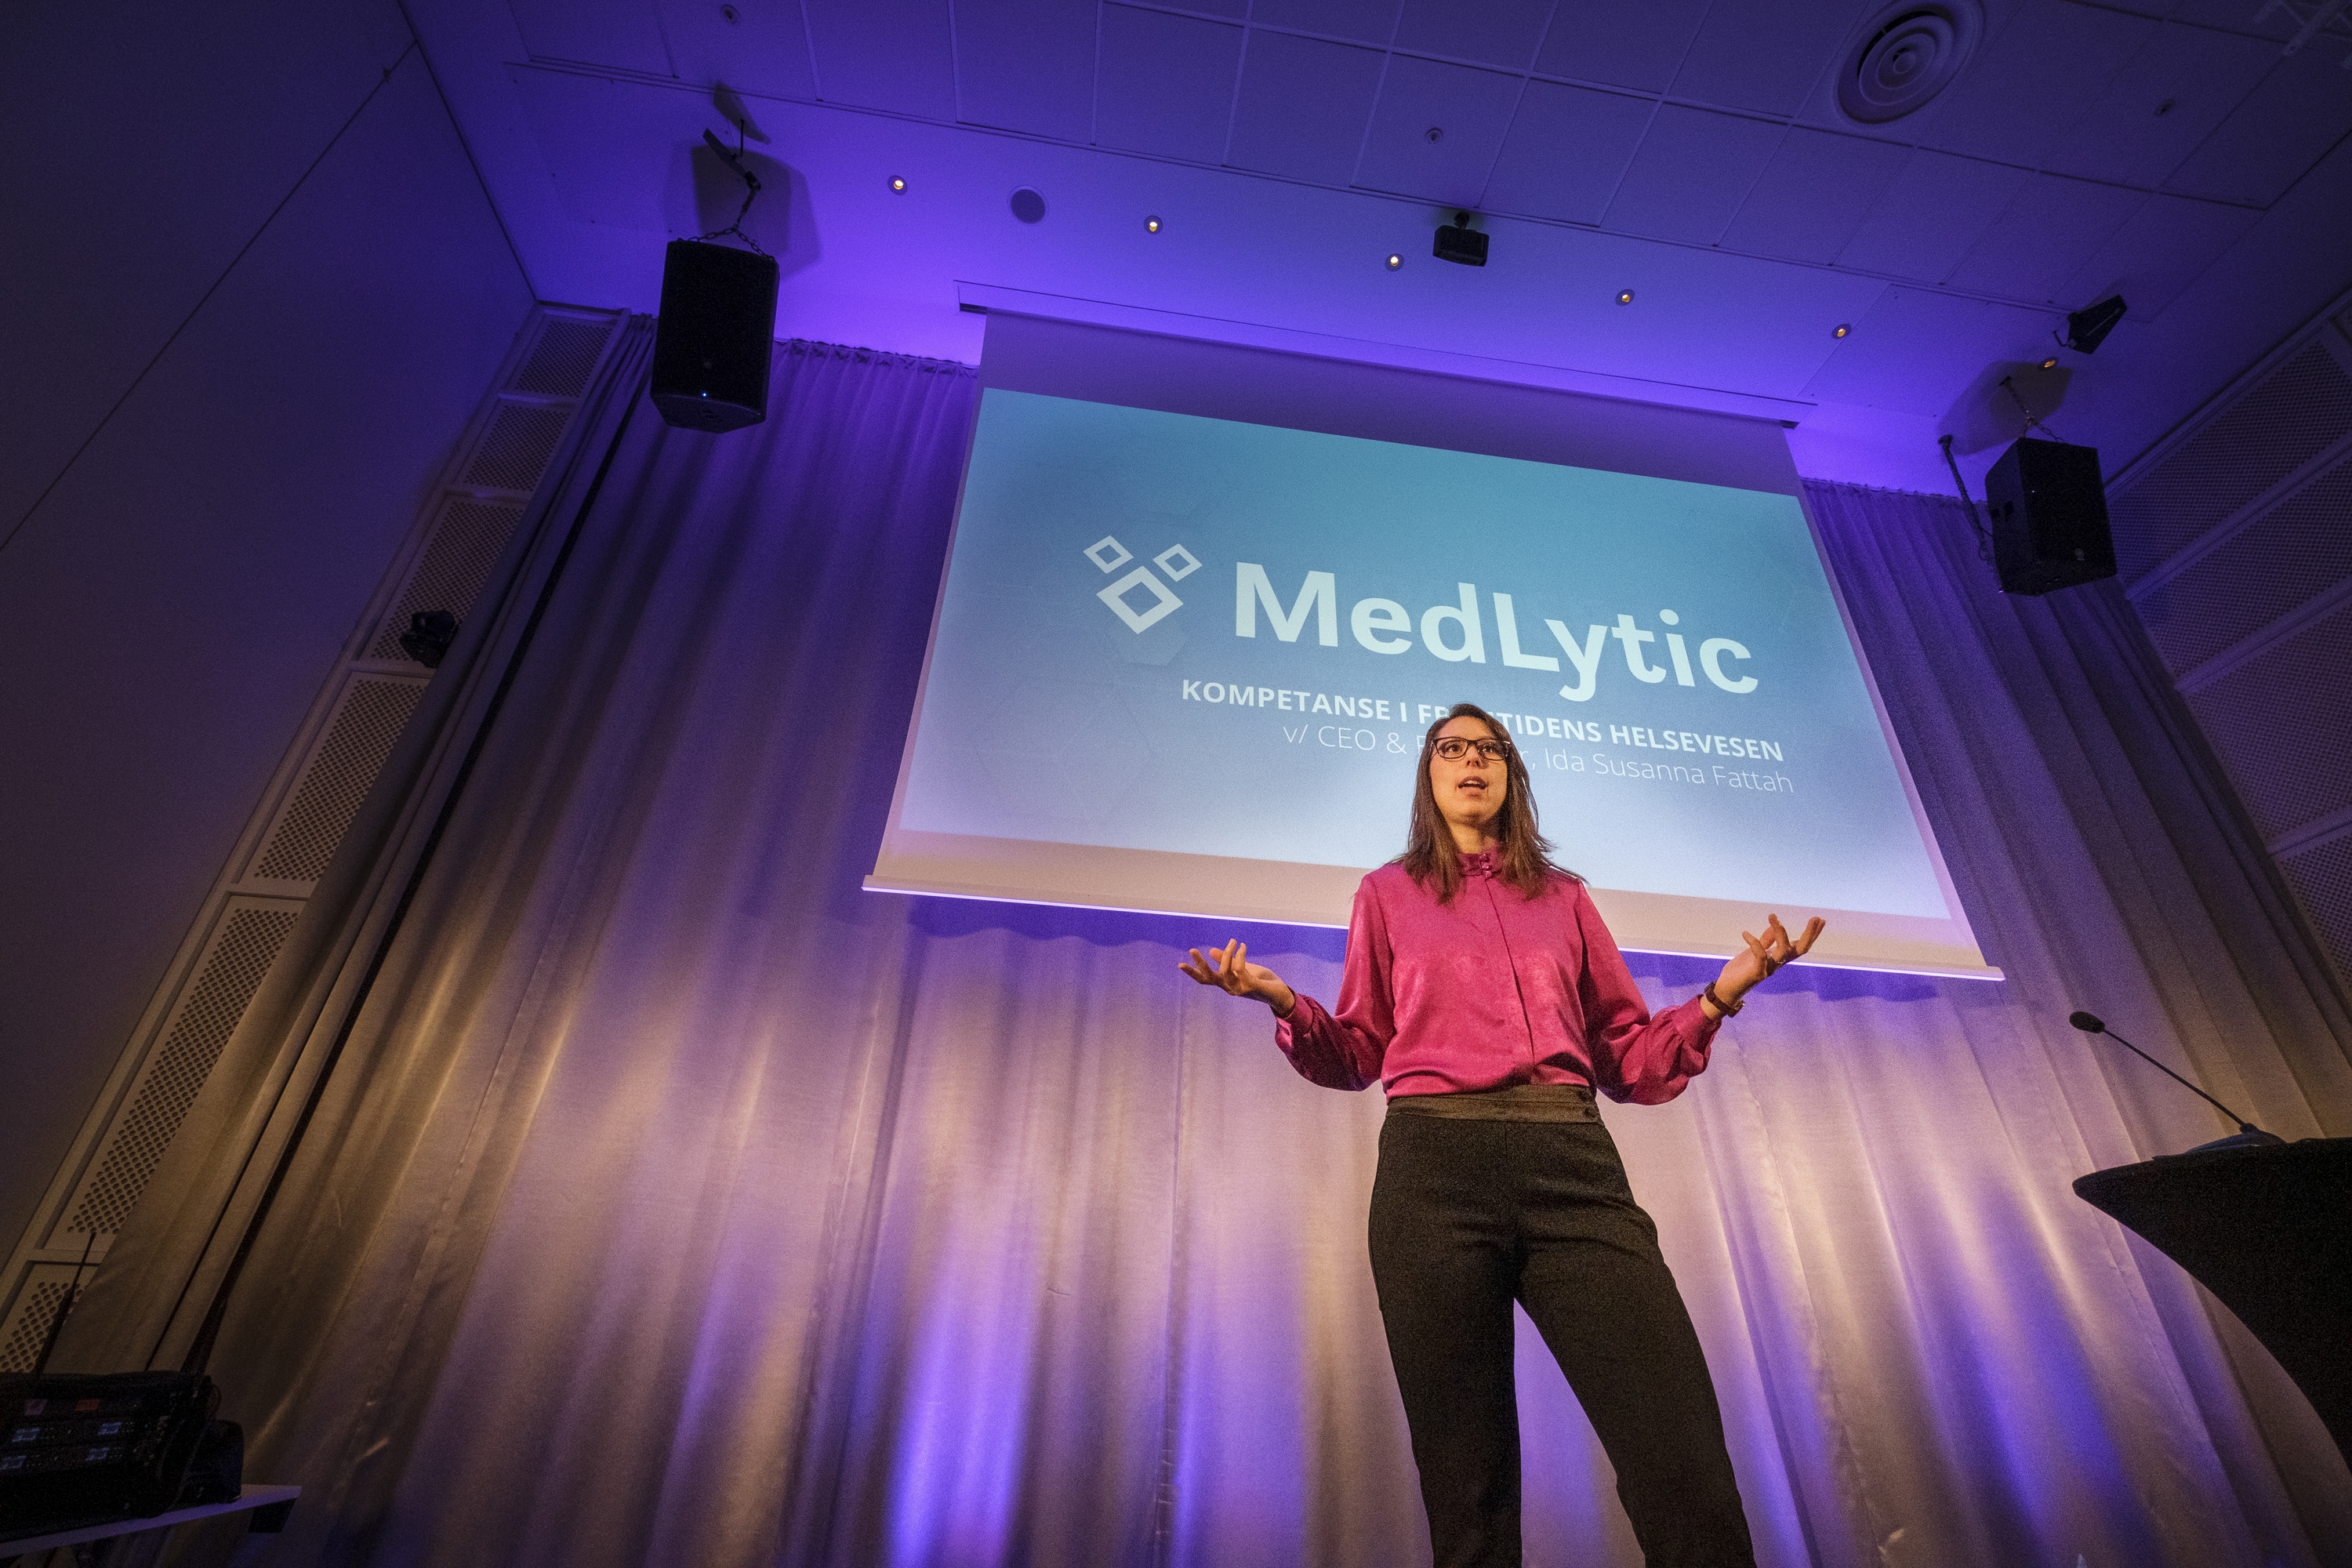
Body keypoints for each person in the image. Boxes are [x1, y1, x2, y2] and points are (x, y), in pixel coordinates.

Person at [1179, 702, 1822, 1568]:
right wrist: (1285, 1002)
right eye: (1452, 748)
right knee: (1469, 1491)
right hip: (1433, 1176)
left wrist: (1720, 994)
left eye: (1489, 749)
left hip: (1571, 1168)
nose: (1471, 760)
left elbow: (1630, 1061)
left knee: (1683, 1463)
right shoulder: (1386, 893)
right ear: (1429, 774)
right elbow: (1359, 1053)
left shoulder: (1564, 897)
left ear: (1512, 775)